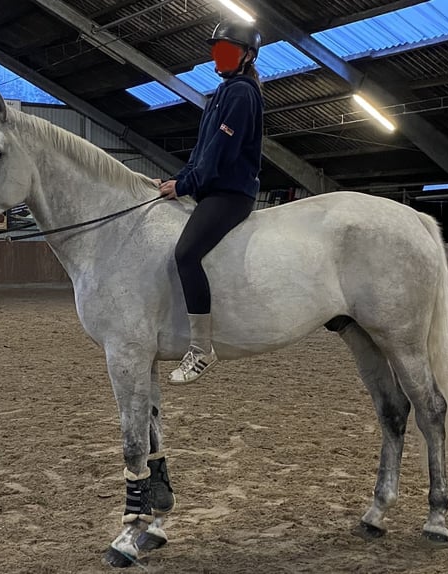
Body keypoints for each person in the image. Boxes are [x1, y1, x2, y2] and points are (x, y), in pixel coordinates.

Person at [158, 20, 264, 384]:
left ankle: (202, 349)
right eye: (216, 50)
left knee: (186, 254)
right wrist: (178, 178)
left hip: (231, 193)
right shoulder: (221, 92)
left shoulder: (241, 94)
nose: (219, 56)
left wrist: (187, 184)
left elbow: (221, 151)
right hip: (211, 188)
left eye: (228, 50)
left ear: (246, 55)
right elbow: (201, 151)